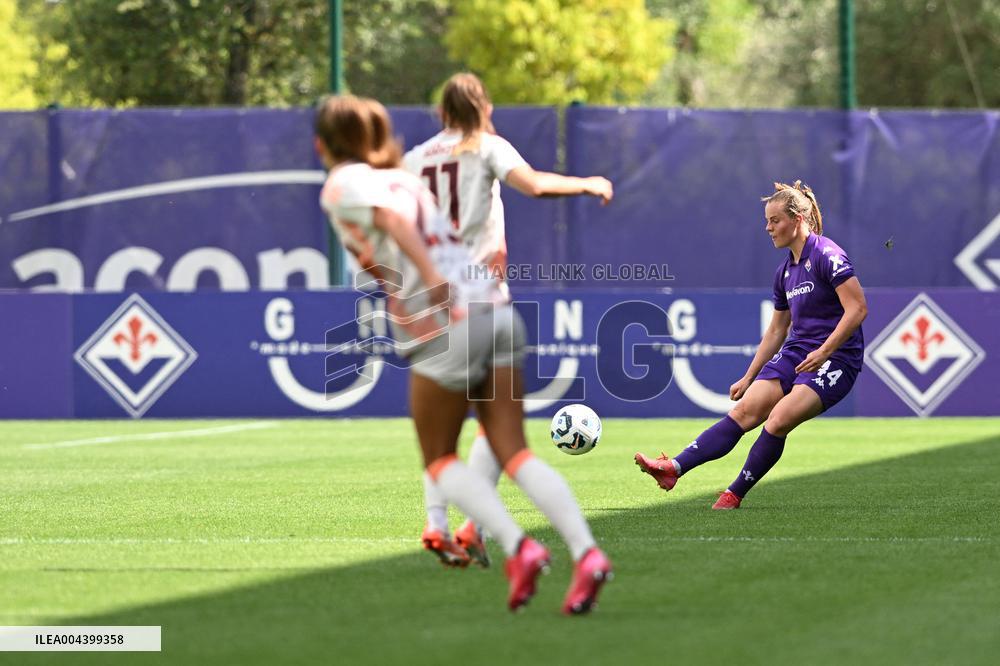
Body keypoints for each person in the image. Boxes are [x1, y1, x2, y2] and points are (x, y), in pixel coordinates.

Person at [315, 94, 612, 614]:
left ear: (322, 144)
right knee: (514, 449)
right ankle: (586, 554)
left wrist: (432, 281)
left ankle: (518, 547)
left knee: (439, 458)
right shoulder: (403, 177)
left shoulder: (346, 182)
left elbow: (391, 222)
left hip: (445, 321)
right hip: (496, 308)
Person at [403, 72, 613, 567]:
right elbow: (535, 186)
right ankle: (476, 529)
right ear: (484, 107)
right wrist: (587, 183)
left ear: (441, 112)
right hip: (483, 300)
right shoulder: (487, 147)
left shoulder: (414, 160)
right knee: (496, 428)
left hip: (435, 304)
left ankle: (446, 525)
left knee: (442, 434)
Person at [635, 181, 867, 509]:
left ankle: (733, 494)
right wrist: (749, 376)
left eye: (775, 220)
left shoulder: (827, 254)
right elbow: (776, 331)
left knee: (778, 419)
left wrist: (825, 351)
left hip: (838, 357)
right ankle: (674, 468)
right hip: (800, 352)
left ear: (798, 219)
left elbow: (857, 309)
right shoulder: (785, 272)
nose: (768, 228)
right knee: (745, 411)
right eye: (767, 220)